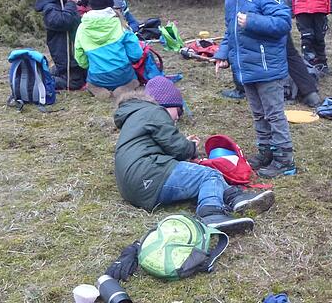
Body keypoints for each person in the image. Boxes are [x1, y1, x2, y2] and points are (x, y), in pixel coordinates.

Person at [113, 76, 275, 234]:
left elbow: (158, 146)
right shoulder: (155, 111)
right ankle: (211, 214)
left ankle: (236, 198)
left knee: (200, 176)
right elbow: (179, 149)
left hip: (133, 185)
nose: (177, 119)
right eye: (178, 112)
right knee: (207, 175)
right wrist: (190, 147)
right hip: (148, 176)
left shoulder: (136, 116)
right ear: (167, 104)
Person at [209, 0, 296, 178]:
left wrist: (252, 21)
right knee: (258, 114)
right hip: (246, 69)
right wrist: (223, 54)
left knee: (274, 114)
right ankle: (265, 150)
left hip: (268, 68)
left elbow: (283, 23)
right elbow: (230, 31)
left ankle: (284, 158)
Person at [216, 0, 321, 107]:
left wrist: (255, 19)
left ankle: (241, 89)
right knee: (291, 54)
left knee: (244, 47)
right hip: (272, 14)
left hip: (264, 18)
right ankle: (310, 92)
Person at [74, 0, 143, 99]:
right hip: (123, 75)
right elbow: (136, 53)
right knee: (134, 81)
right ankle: (124, 89)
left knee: (91, 83)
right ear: (111, 1)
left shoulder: (82, 28)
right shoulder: (120, 23)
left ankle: (98, 90)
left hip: (97, 77)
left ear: (89, 2)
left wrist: (90, 65)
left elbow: (80, 58)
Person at [34, 0, 87, 90]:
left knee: (84, 76)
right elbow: (63, 22)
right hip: (64, 55)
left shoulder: (64, 2)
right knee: (75, 83)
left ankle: (48, 72)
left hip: (74, 54)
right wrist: (71, 4)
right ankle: (42, 81)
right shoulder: (49, 7)